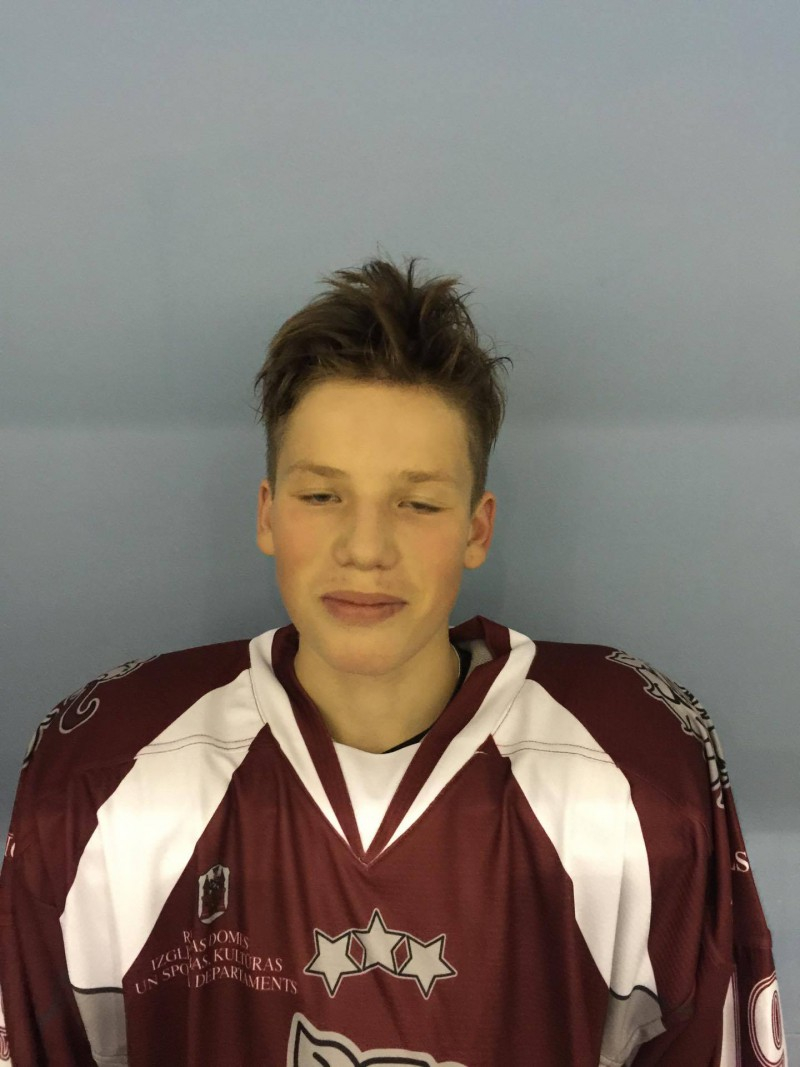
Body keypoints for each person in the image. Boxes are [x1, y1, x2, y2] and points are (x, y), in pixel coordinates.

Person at [0, 258, 786, 1066]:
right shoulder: (104, 783)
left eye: (417, 503)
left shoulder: (634, 782)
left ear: (477, 528)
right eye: (321, 495)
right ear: (267, 514)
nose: (366, 547)